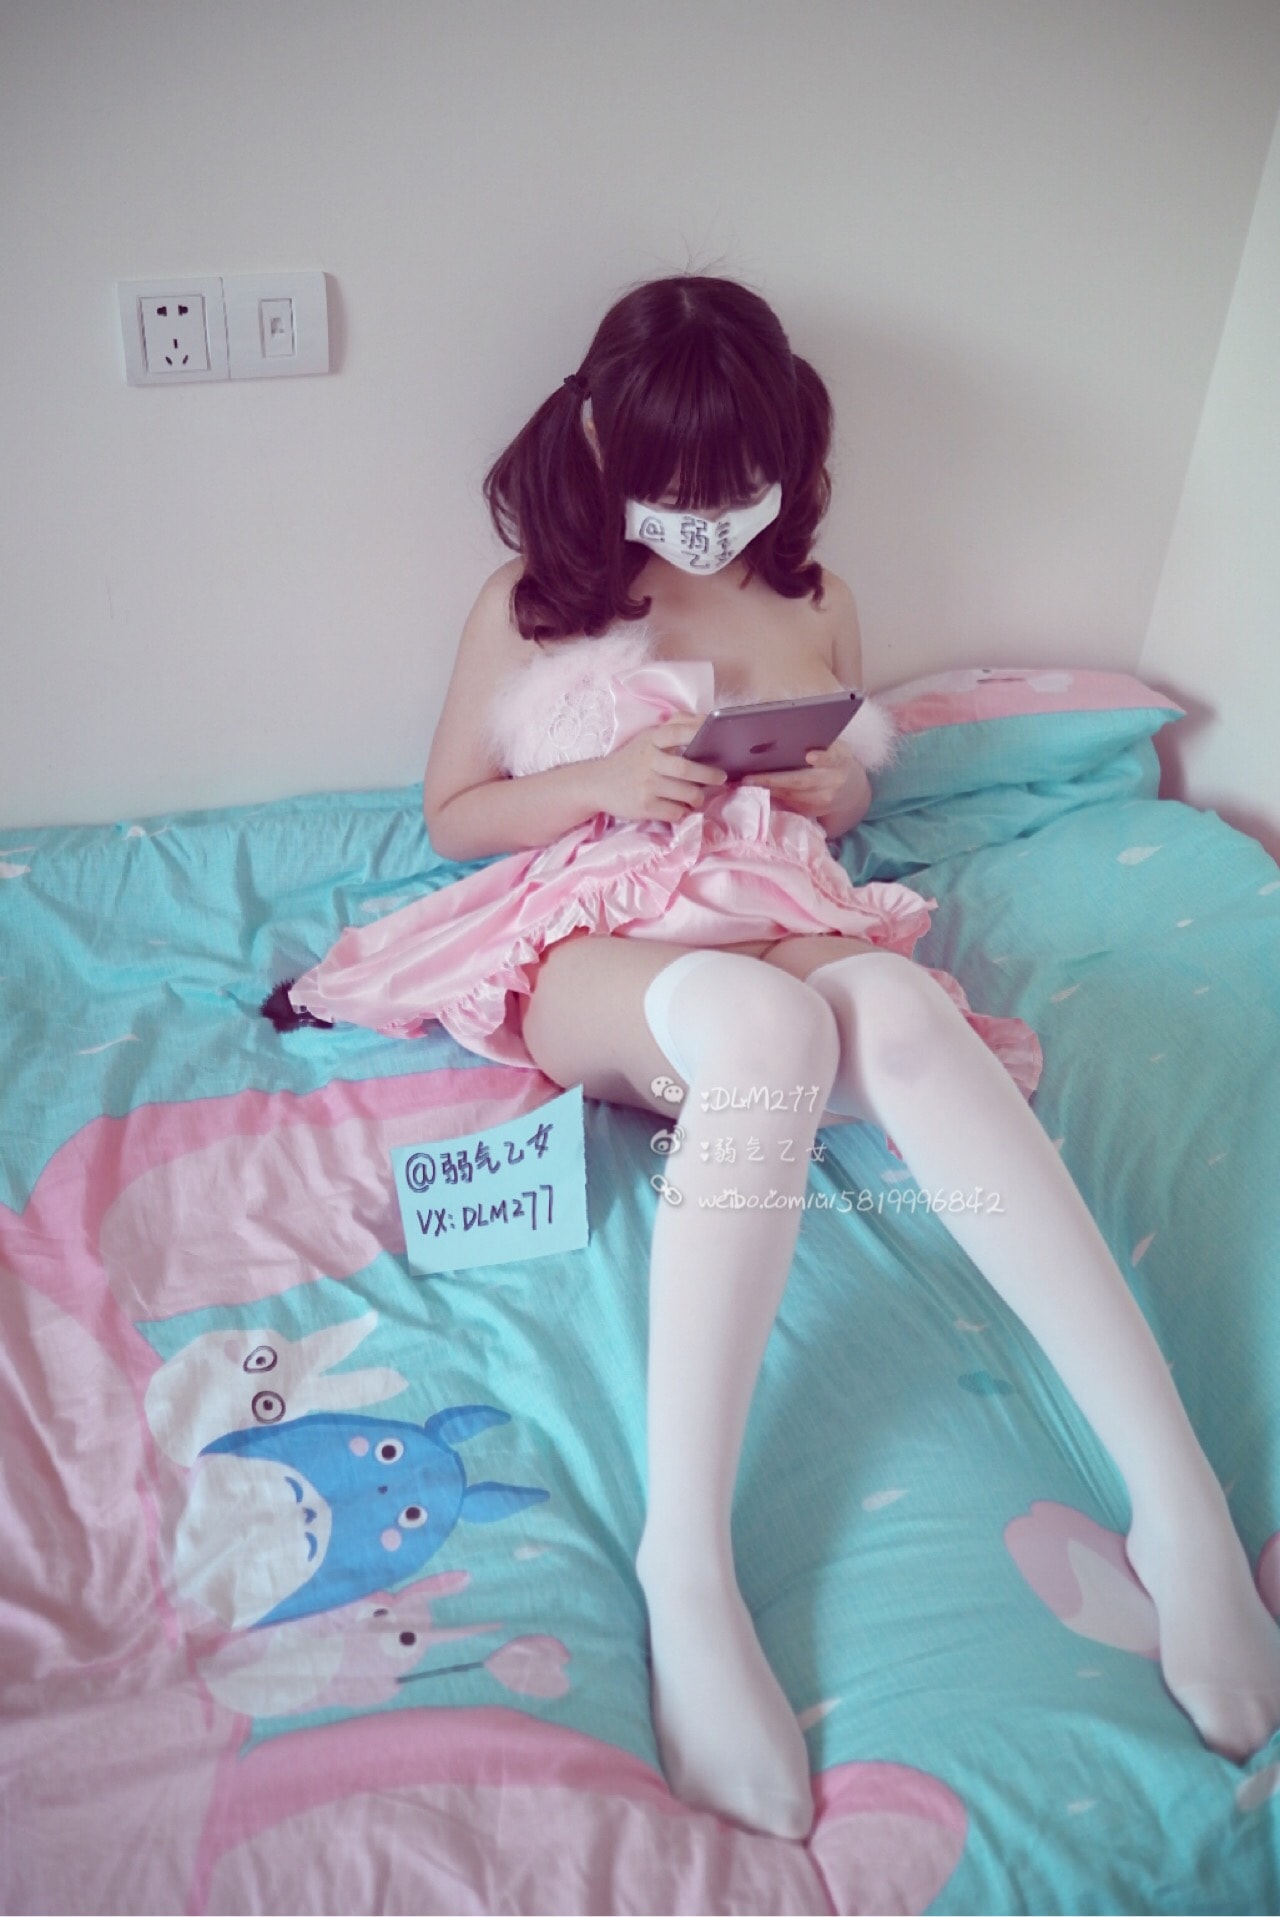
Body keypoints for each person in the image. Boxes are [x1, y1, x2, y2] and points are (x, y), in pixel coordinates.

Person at [272, 275, 1280, 1841]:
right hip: (599, 936)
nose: (703, 522)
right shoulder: (532, 597)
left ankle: (1179, 1496)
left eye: (732, 486)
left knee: (907, 1017)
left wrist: (832, 794)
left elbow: (852, 776)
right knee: (763, 1030)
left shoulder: (816, 597)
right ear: (602, 445)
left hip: (773, 903)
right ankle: (685, 1562)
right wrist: (606, 780)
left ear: (786, 457)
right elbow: (454, 814)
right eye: (671, 487)